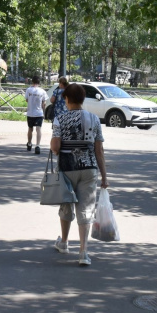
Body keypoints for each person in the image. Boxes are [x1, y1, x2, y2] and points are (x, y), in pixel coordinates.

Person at [50, 83, 108, 266]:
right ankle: (83, 252)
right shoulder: (94, 119)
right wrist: (104, 177)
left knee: (66, 205)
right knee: (85, 209)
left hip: (67, 168)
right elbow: (99, 150)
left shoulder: (60, 119)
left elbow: (55, 148)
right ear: (82, 99)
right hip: (89, 169)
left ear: (67, 99)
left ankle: (64, 243)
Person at [24, 75, 47, 154]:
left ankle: (29, 144)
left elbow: (27, 100)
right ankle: (37, 146)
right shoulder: (42, 91)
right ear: (39, 82)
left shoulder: (28, 90)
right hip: (39, 113)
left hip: (30, 113)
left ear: (32, 81)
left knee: (30, 129)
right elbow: (44, 103)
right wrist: (44, 112)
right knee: (38, 129)